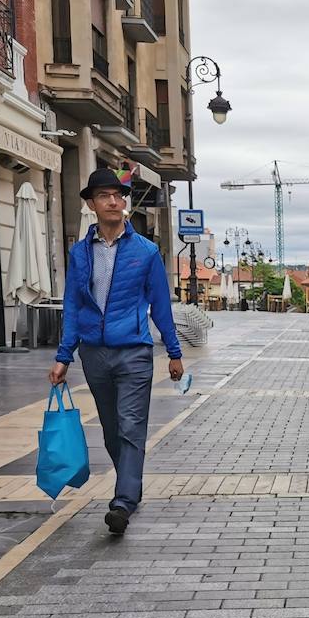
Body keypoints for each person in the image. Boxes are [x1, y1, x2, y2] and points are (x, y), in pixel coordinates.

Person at [50, 169, 184, 537]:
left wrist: (174, 352)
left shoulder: (145, 252)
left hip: (134, 353)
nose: (114, 201)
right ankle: (131, 484)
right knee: (111, 428)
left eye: (119, 195)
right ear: (91, 204)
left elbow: (160, 305)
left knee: (131, 425)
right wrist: (64, 356)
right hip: (94, 354)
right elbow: (73, 305)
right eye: (105, 196)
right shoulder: (80, 253)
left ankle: (122, 501)